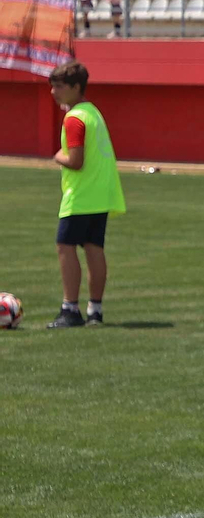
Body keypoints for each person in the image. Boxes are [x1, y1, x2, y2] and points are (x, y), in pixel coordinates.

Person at [47, 61, 126, 329]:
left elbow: (75, 160)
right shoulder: (93, 112)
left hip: (81, 195)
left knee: (65, 246)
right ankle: (95, 311)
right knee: (94, 248)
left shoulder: (74, 118)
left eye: (59, 86)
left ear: (76, 87)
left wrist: (57, 156)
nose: (53, 92)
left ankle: (70, 309)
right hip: (100, 194)